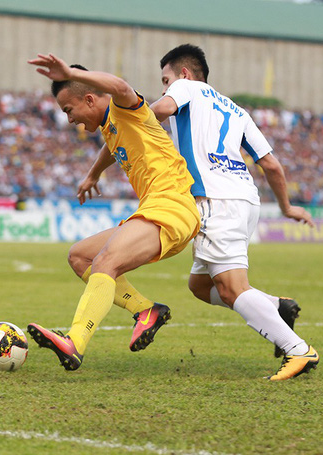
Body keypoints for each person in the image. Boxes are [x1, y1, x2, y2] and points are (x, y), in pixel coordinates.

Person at [76, 44, 318, 381]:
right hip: (244, 200)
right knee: (200, 286)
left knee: (233, 288)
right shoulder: (238, 112)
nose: (164, 87)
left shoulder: (185, 88)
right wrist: (287, 207)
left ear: (184, 74)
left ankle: (298, 350)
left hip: (215, 200)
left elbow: (150, 115)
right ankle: (276, 307)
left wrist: (129, 116)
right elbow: (272, 166)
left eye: (166, 79)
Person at [25, 54, 200, 371]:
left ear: (90, 98)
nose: (69, 119)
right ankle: (146, 310)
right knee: (80, 256)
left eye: (69, 110)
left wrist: (70, 72)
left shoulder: (123, 106)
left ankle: (75, 342)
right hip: (157, 209)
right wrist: (93, 174)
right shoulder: (111, 124)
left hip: (173, 205)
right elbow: (112, 144)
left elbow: (120, 86)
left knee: (106, 261)